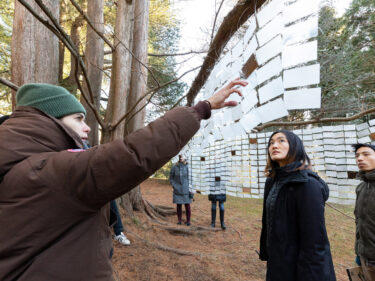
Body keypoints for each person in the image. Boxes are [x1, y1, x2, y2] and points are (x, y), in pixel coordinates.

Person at [0, 79, 247, 280]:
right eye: (78, 119)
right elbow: (131, 155)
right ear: (50, 119)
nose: (87, 128)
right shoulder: (45, 170)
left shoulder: (19, 164)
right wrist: (202, 109)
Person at [259, 130, 336, 281]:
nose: (274, 145)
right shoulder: (272, 181)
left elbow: (315, 244)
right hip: (277, 263)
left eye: (281, 141)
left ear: (295, 146)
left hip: (300, 271)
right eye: (271, 143)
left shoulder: (307, 185)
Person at [352, 143, 375, 281]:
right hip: (365, 259)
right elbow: (359, 221)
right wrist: (360, 251)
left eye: (366, 154)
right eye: (357, 155)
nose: (360, 158)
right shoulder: (361, 187)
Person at [169, 155, 192, 225]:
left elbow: (191, 178)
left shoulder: (188, 166)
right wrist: (174, 185)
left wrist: (191, 188)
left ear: (185, 157)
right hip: (177, 189)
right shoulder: (174, 167)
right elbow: (171, 177)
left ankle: (188, 221)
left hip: (186, 189)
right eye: (180, 157)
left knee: (187, 205)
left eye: (182, 157)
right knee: (179, 205)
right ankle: (179, 220)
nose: (181, 158)